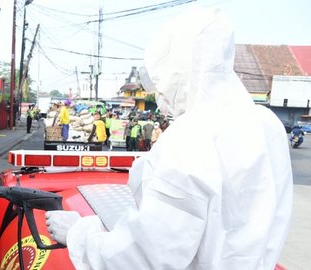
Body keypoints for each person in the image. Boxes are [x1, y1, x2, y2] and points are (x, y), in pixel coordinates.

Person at [45, 7, 292, 269]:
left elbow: (148, 256)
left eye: (163, 81)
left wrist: (79, 235)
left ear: (182, 72)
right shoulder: (267, 126)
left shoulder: (192, 138)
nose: (161, 99)